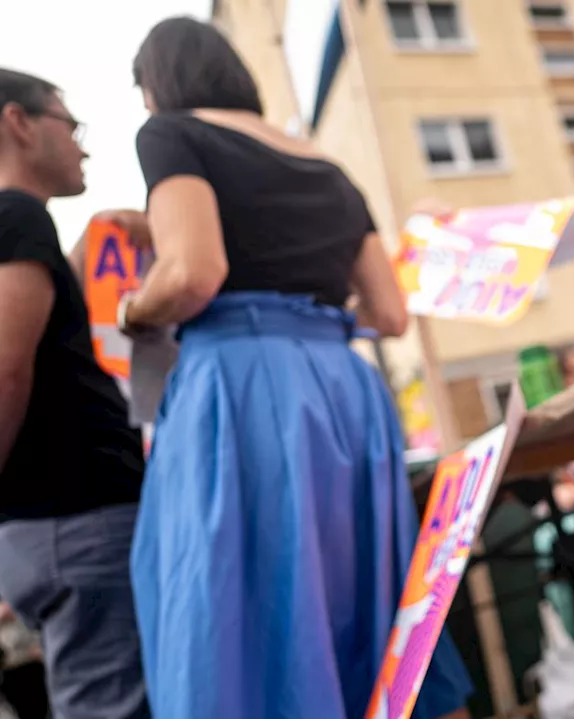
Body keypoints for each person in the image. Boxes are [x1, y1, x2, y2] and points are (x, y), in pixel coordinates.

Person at [121, 18, 471, 719]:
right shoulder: (327, 167)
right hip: (344, 391)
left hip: (242, 386)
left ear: (159, 85)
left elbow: (194, 271)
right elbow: (391, 314)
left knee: (235, 608)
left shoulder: (171, 134)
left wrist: (136, 306)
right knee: (369, 608)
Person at [0, 68, 151, 718]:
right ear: (19, 122)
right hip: (78, 519)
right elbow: (6, 368)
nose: (83, 145)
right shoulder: (17, 214)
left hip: (58, 525)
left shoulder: (24, 229)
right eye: (70, 123)